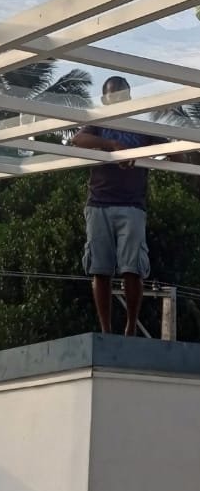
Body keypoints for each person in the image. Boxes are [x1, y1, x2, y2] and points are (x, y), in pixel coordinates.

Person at [71, 76, 160, 337]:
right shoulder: (98, 124)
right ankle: (106, 331)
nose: (120, 100)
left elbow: (172, 149)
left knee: (132, 268)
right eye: (114, 96)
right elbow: (78, 139)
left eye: (123, 96)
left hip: (132, 204)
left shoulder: (141, 125)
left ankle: (130, 328)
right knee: (100, 269)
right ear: (105, 99)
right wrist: (111, 145)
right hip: (100, 201)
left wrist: (174, 154)